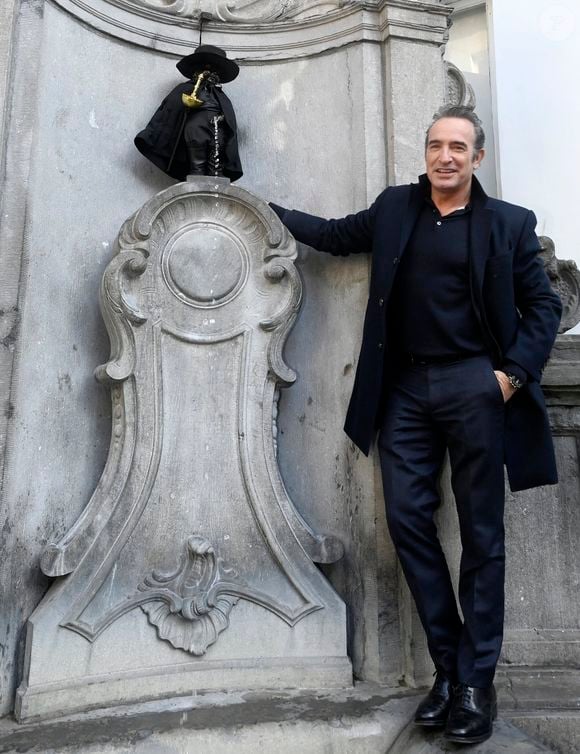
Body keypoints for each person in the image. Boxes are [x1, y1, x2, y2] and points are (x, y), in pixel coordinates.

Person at [270, 105, 561, 745]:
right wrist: (256, 207)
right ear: (425, 152)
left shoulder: (508, 224)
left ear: (477, 157)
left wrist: (510, 375)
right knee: (407, 521)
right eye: (436, 145)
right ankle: (452, 669)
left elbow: (545, 304)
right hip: (402, 390)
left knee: (482, 539)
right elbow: (333, 233)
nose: (446, 156)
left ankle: (473, 685)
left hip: (476, 387)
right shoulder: (396, 208)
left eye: (458, 147)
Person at [135, 45, 242, 182]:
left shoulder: (220, 96)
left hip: (217, 128)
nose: (208, 71)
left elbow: (229, 118)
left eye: (212, 69)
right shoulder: (186, 88)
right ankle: (196, 187)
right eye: (204, 67)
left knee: (216, 167)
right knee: (197, 165)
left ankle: (217, 189)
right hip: (195, 129)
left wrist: (223, 119)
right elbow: (171, 110)